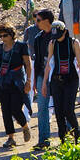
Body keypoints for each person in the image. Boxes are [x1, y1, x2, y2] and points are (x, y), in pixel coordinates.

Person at [43, 20, 80, 142]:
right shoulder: (52, 43)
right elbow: (48, 64)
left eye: (59, 35)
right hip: (56, 80)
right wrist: (44, 83)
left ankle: (77, 133)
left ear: (65, 32)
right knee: (58, 111)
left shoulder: (74, 42)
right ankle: (63, 139)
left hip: (71, 79)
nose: (58, 38)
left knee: (68, 110)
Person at [0, 25, 31, 148]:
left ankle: (24, 126)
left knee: (15, 108)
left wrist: (28, 81)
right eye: (1, 36)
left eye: (5, 35)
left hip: (17, 82)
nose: (3, 38)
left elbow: (28, 64)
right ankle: (10, 137)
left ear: (11, 34)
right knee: (5, 111)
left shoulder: (21, 46)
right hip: (3, 82)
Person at [29, 8, 56, 150]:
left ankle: (70, 136)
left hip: (58, 75)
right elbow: (38, 60)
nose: (37, 23)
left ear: (47, 21)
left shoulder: (58, 34)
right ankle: (43, 140)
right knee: (42, 108)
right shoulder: (38, 37)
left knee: (62, 106)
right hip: (42, 76)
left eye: (38, 20)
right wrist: (35, 80)